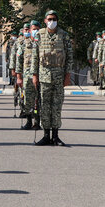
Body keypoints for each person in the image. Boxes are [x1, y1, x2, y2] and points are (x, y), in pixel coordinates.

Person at [31, 10, 73, 146]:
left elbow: (69, 58)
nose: (51, 21)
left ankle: (55, 136)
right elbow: (35, 57)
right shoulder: (39, 35)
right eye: (49, 19)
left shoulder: (64, 36)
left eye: (54, 19)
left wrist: (68, 75)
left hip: (59, 77)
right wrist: (34, 75)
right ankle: (45, 135)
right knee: (44, 106)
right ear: (44, 20)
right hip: (44, 77)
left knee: (56, 107)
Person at [17, 20, 41, 130]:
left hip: (40, 76)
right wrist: (18, 77)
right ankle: (28, 121)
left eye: (37, 29)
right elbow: (19, 61)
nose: (35, 31)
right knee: (28, 100)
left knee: (38, 100)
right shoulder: (24, 44)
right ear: (30, 30)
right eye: (33, 29)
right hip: (27, 77)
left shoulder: (42, 43)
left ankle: (37, 122)